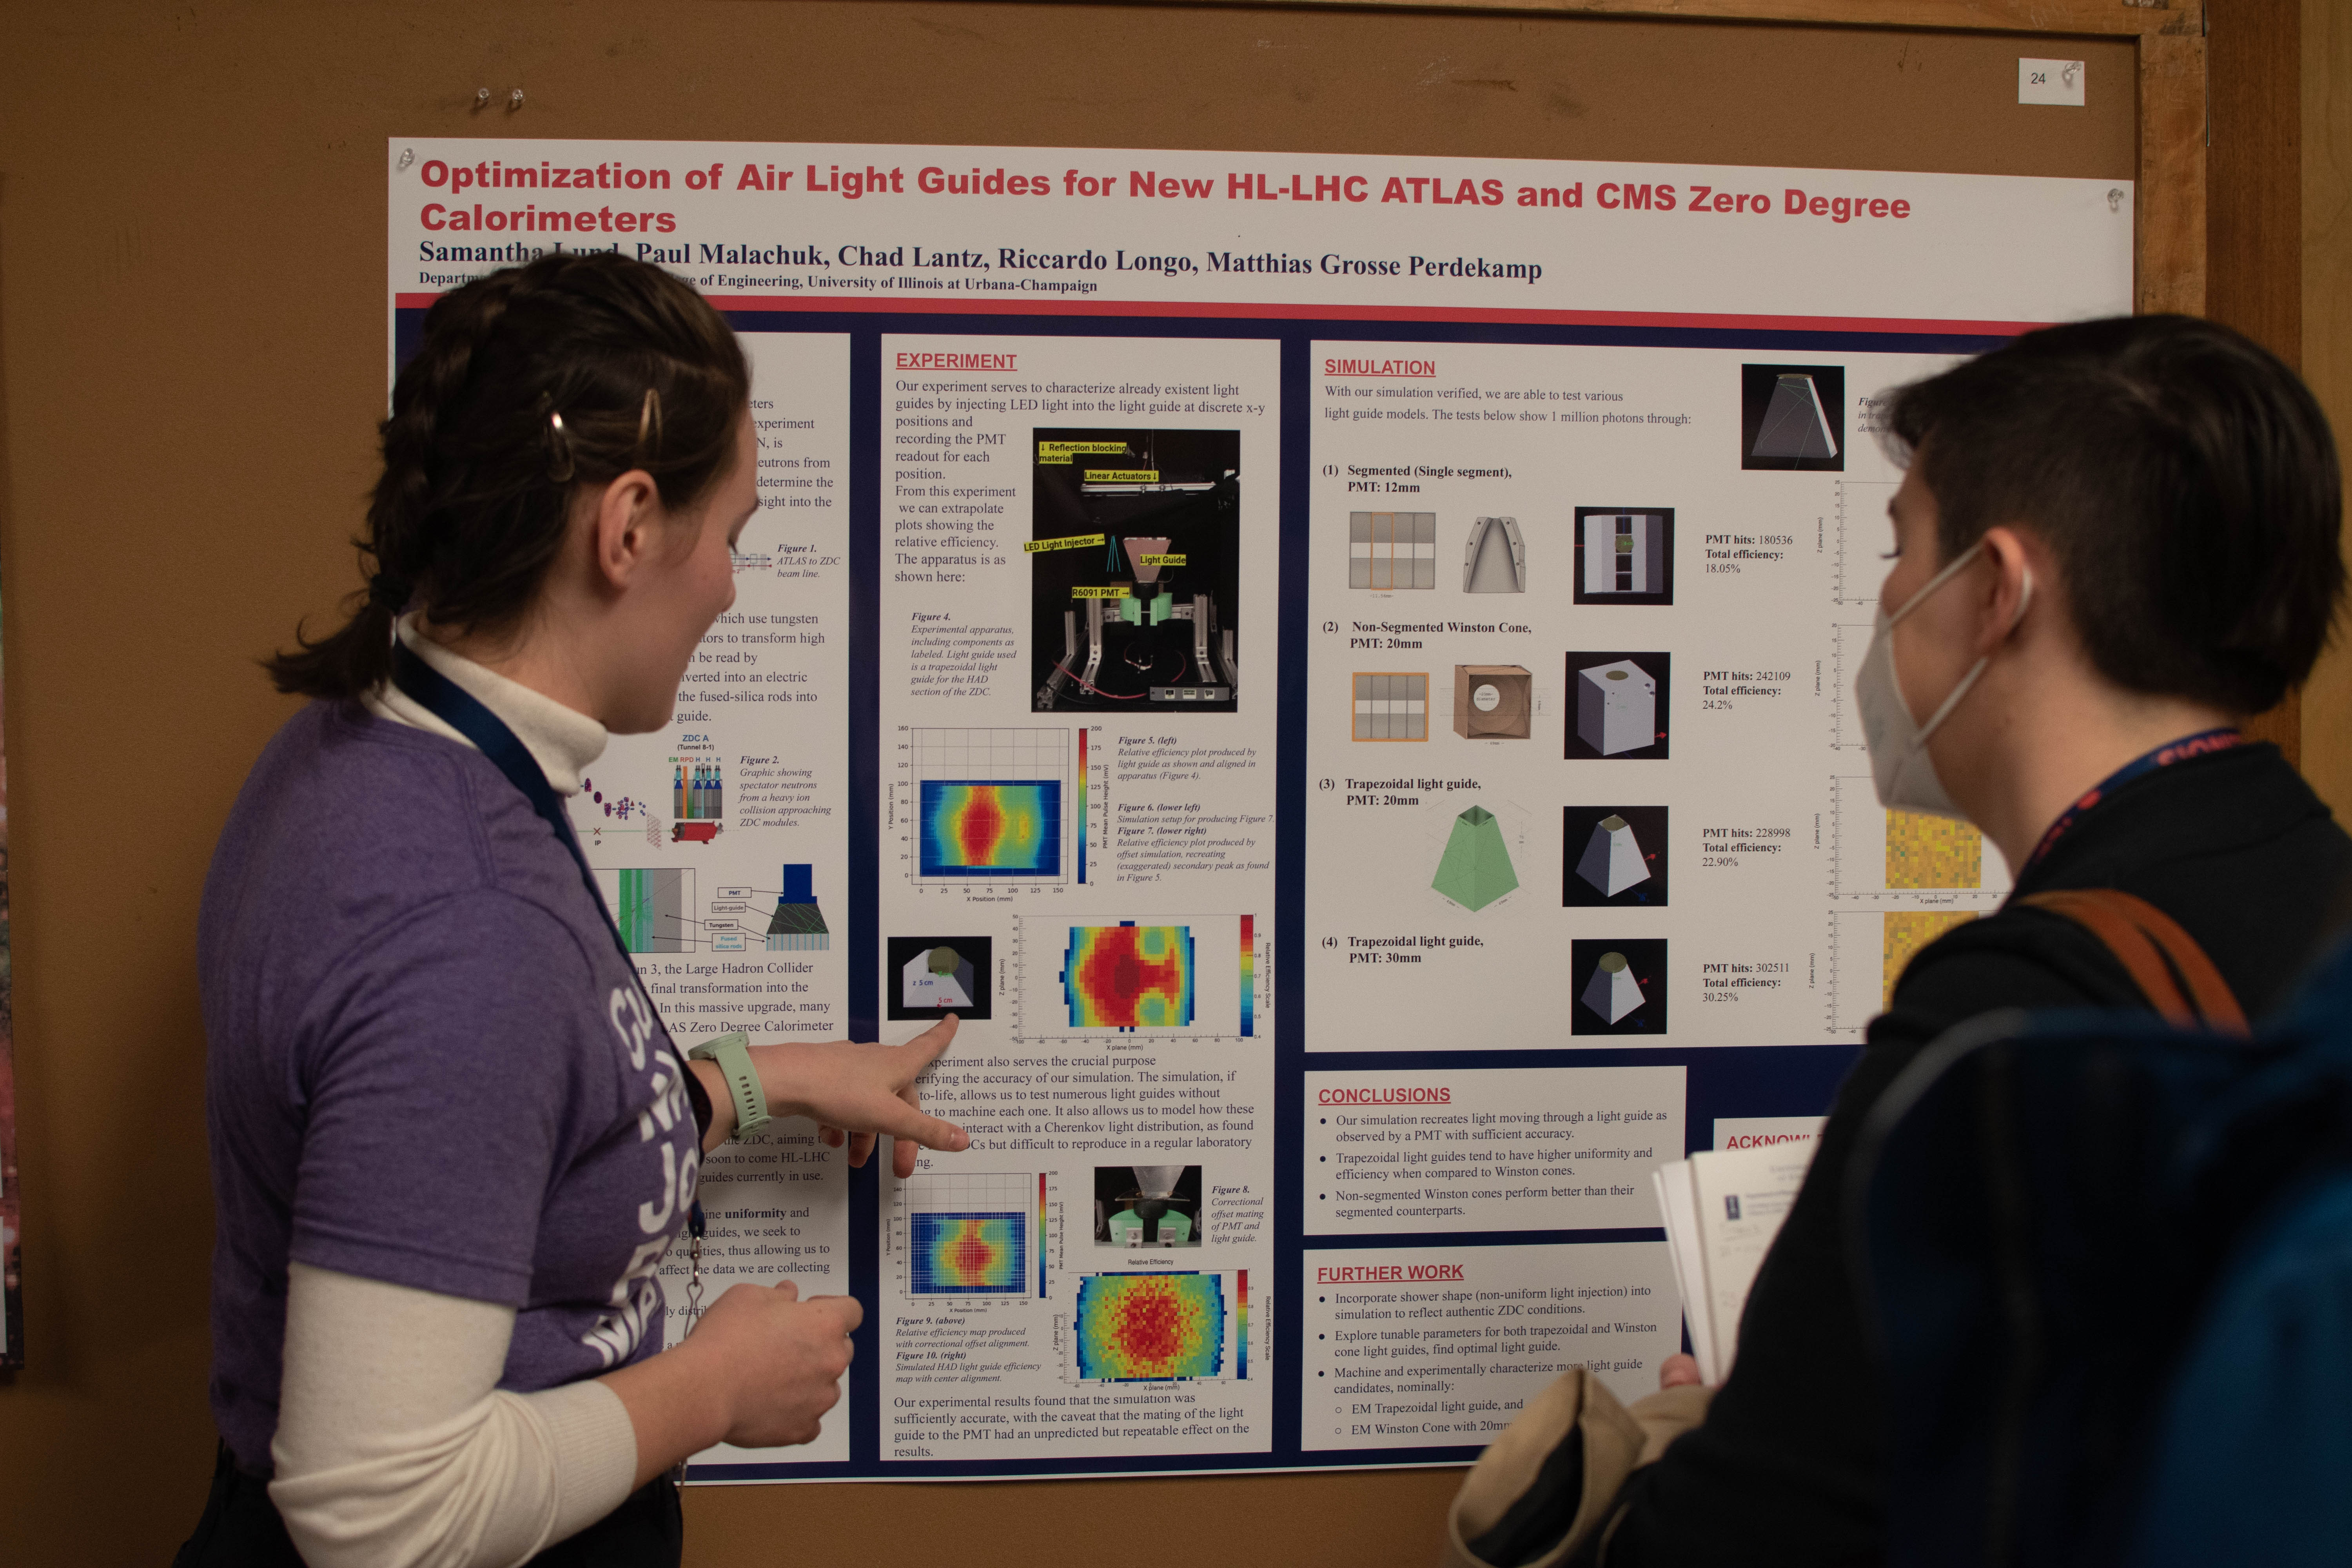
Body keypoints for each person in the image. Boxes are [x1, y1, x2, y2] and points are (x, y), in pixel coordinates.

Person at [175, 252, 969, 1568]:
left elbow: (492, 1141)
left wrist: (758, 1081)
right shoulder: (465, 924)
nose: (731, 585)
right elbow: (379, 1513)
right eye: (732, 536)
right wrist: (716, 1386)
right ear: (630, 527)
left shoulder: (368, 747)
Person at [1584, 315, 2352, 1565]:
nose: (1889, 600)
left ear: (1997, 589)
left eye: (1903, 549)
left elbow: (1737, 1544)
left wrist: (1713, 1446)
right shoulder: (2326, 903)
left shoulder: (2010, 1024)